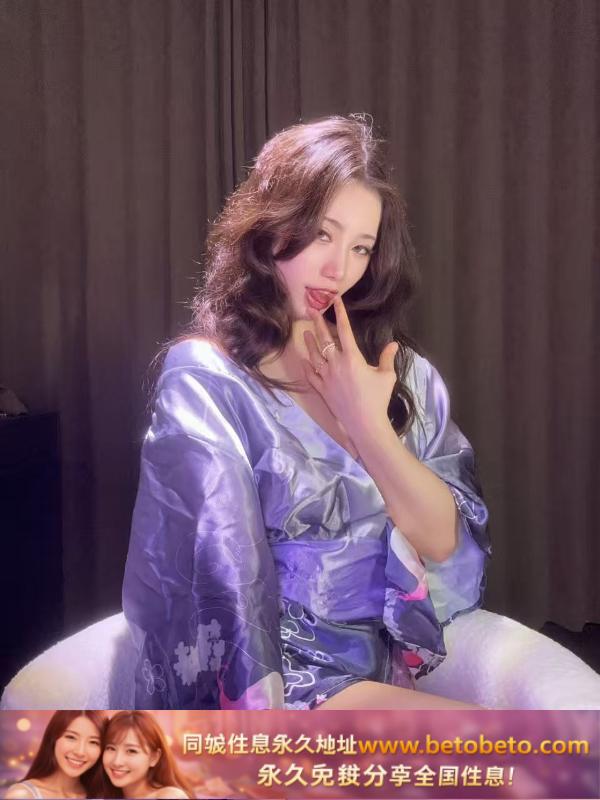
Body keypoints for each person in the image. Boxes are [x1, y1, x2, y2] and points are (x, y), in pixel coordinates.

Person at [123, 114, 491, 711]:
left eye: (361, 247)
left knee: (552, 752)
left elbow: (445, 541)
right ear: (272, 226)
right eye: (322, 234)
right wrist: (259, 726)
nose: (339, 269)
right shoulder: (209, 378)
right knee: (523, 755)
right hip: (276, 682)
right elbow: (223, 577)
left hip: (378, 672)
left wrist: (368, 425)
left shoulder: (397, 372)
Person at [6, 711, 106, 799]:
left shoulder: (101, 795)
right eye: (71, 737)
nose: (80, 752)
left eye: (93, 742)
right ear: (53, 739)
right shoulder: (24, 794)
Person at [101, 711, 192, 799]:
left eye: (131, 751)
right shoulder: (104, 794)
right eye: (111, 748)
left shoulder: (169, 796)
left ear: (154, 758)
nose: (117, 762)